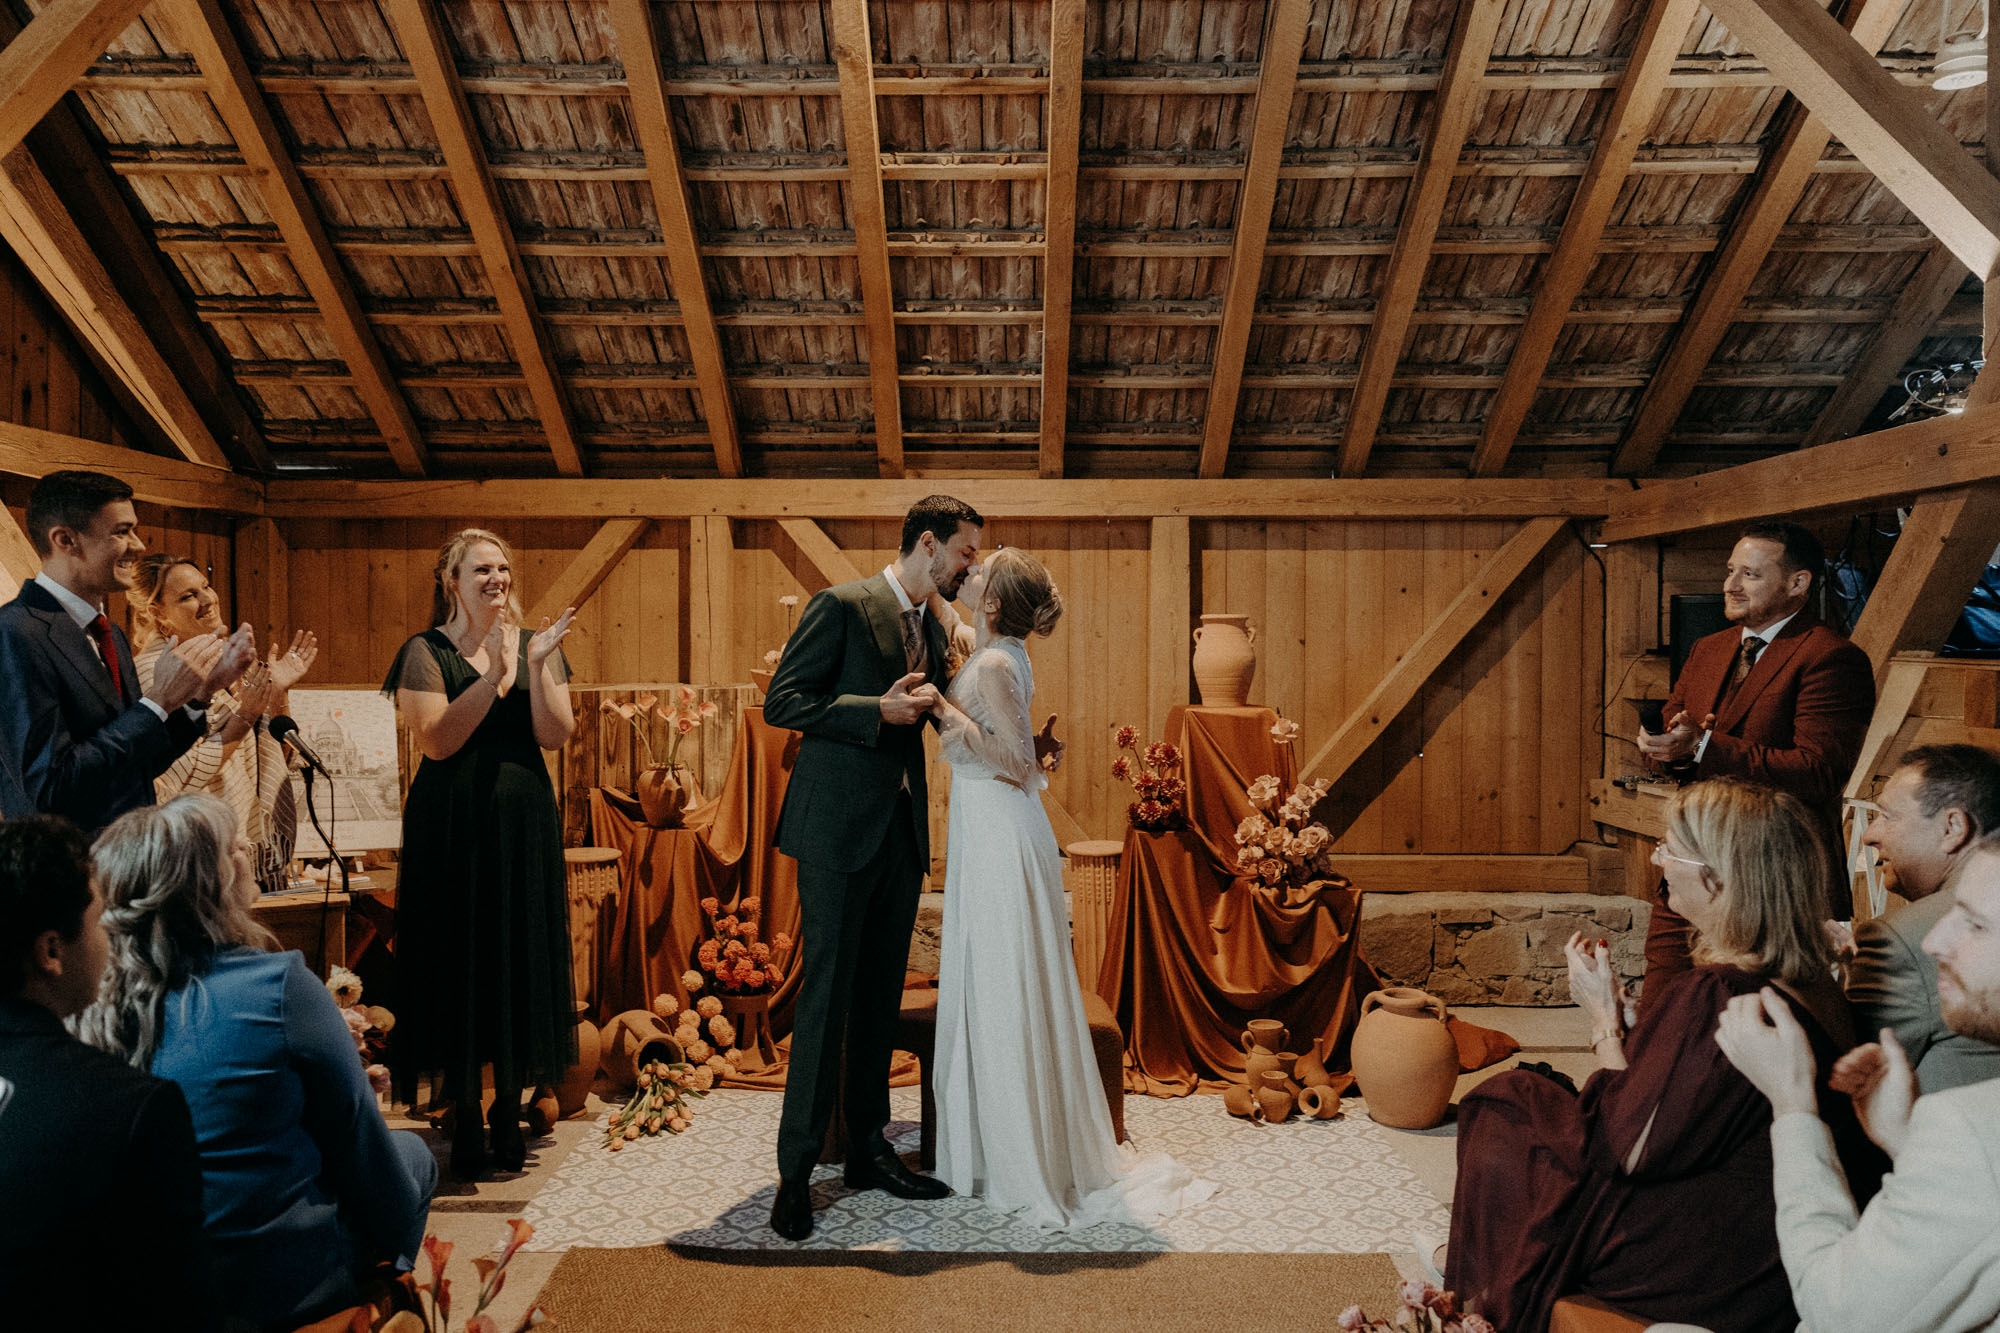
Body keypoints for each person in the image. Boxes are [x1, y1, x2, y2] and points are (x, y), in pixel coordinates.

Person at [1444, 779, 1881, 1333]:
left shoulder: (1715, 992)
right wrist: (1637, 1035)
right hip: (1769, 1244)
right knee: (1540, 1093)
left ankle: (1492, 1296)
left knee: (1507, 1102)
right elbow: (1690, 1110)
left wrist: (1603, 1023)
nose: (1655, 859)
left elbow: (1624, 1148)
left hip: (1703, 1262)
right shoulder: (1815, 983)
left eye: (1669, 848)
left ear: (1716, 879)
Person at [72, 794, 433, 1329]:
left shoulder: (90, 1007)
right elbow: (362, 1144)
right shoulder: (276, 985)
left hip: (141, 1291)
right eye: (233, 845)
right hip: (270, 1288)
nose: (249, 848)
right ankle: (374, 1302)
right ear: (205, 884)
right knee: (409, 1154)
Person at [929, 547, 1212, 1228]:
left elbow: (1020, 765)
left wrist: (944, 710)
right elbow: (1009, 719)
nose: (970, 575)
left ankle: (1018, 1150)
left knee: (1004, 981)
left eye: (981, 572)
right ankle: (1004, 1134)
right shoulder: (998, 649)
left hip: (1000, 824)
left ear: (994, 602)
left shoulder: (995, 661)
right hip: (989, 822)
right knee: (1000, 976)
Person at [762, 493, 983, 1240]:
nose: (967, 565)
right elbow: (783, 702)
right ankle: (794, 1176)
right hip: (833, 835)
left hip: (897, 834)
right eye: (963, 552)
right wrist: (871, 711)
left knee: (879, 1000)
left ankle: (866, 1149)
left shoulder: (928, 624)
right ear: (927, 544)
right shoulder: (842, 604)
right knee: (824, 1003)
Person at [1716, 834, 2000, 1333]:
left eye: (1975, 924)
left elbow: (1834, 1312)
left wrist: (1793, 1106)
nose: (1934, 942)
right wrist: (1905, 1139)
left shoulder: (1971, 1125)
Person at [384, 528, 577, 1179]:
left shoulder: (533, 643)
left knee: (518, 955)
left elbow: (554, 734)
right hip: (452, 827)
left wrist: (539, 664)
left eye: (503, 567)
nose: (496, 578)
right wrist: (494, 675)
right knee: (458, 957)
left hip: (523, 827)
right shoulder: (425, 651)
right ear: (452, 581)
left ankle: (509, 1108)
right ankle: (465, 1107)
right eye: (481, 569)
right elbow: (438, 739)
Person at [1635, 521, 1874, 1005]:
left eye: (1750, 574)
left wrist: (1704, 747)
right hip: (1690, 862)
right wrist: (1667, 750)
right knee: (1661, 1003)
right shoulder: (1709, 648)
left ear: (1797, 583)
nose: (1730, 585)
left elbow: (1818, 771)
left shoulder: (1830, 658)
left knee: (1750, 1012)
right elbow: (1686, 744)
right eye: (1729, 571)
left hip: (1771, 877)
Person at [0, 814, 218, 1330]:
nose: (110, 939)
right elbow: (183, 1311)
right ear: (51, 950)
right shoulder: (133, 1108)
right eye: (101, 920)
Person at [0, 470, 254, 831]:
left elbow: (138, 766)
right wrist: (158, 702)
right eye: (121, 532)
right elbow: (49, 786)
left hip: (127, 864)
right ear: (65, 540)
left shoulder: (111, 635)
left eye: (133, 529)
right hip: (67, 872)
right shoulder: (15, 632)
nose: (138, 545)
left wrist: (200, 696)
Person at [129, 553, 319, 894]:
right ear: (158, 612)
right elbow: (176, 774)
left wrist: (277, 693)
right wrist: (245, 716)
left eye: (205, 586)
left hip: (244, 848)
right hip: (196, 855)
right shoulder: (154, 672)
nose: (207, 600)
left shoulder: (227, 659)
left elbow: (278, 760)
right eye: (188, 597)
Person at [1843, 744, 2000, 1093]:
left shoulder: (1901, 940)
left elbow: (1845, 1086)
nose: (1869, 835)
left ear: (1953, 828)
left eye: (1887, 816)